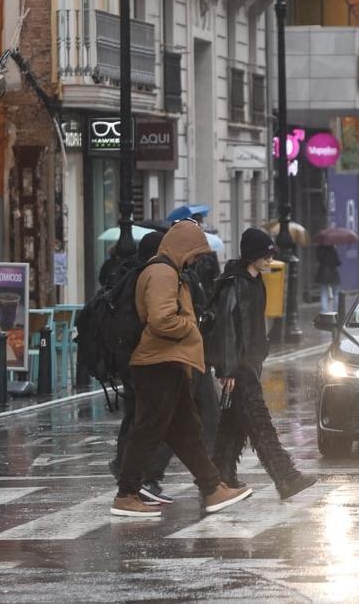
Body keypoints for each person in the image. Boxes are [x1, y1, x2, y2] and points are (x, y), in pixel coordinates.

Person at [112, 219, 251, 517]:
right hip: (158, 363)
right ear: (183, 247)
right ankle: (126, 494)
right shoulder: (162, 272)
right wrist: (190, 327)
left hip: (169, 361)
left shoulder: (169, 271)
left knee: (187, 431)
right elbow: (161, 319)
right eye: (195, 252)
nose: (196, 259)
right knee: (148, 429)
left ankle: (212, 488)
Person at [208, 228, 317, 499]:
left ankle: (219, 477)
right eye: (266, 256)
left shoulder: (255, 281)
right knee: (260, 423)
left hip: (249, 362)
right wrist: (228, 369)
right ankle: (286, 477)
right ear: (252, 255)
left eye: (271, 255)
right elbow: (227, 330)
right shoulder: (234, 284)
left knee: (233, 425)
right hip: (239, 367)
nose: (270, 260)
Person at [108, 231, 169, 489]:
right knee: (147, 417)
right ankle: (137, 476)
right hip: (139, 357)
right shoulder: (146, 278)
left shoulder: (130, 276)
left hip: (128, 356)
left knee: (135, 414)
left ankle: (125, 467)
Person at [314, 243, 342, 314]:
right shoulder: (333, 249)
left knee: (324, 293)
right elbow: (337, 262)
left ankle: (324, 311)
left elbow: (318, 259)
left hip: (323, 273)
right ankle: (335, 310)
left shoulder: (320, 248)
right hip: (333, 273)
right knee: (336, 293)